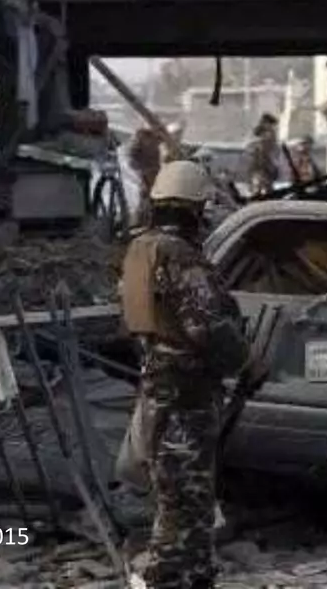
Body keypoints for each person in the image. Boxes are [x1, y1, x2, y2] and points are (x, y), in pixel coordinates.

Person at [119, 160, 247, 589]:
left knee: (174, 492)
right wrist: (244, 360)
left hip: (160, 383)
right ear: (195, 207)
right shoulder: (180, 256)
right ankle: (169, 575)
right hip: (186, 393)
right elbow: (206, 326)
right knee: (187, 500)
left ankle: (185, 574)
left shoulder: (141, 248)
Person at [245, 114, 280, 197]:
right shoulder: (259, 132)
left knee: (266, 183)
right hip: (258, 162)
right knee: (257, 181)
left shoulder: (271, 134)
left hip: (266, 162)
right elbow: (251, 146)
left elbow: (272, 148)